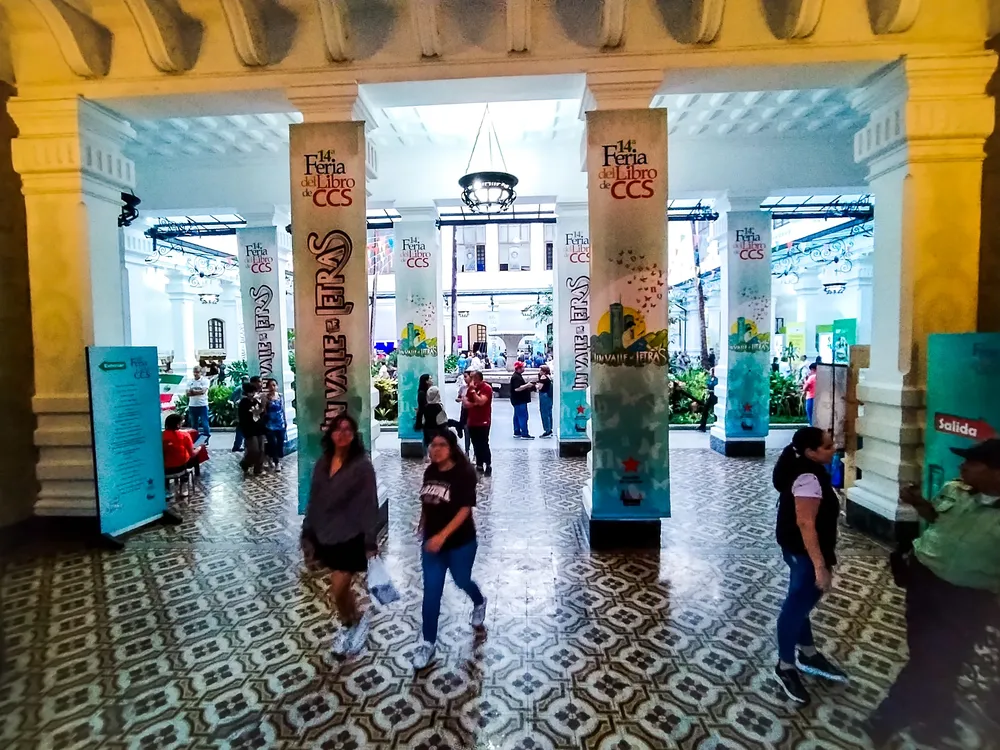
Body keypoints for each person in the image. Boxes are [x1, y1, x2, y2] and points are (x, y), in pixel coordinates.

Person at [864, 439, 1000, 747]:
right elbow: (937, 517)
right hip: (924, 583)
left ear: (996, 473)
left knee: (932, 659)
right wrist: (917, 502)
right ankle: (940, 717)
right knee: (929, 654)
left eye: (971, 463)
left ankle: (888, 717)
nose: (962, 467)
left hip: (966, 598)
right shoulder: (956, 490)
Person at [772, 426, 846, 706]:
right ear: (810, 452)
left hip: (793, 547)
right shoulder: (807, 477)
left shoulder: (800, 463)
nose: (833, 448)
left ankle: (807, 651)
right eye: (827, 446)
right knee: (797, 604)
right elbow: (806, 523)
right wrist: (820, 566)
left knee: (800, 601)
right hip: (802, 550)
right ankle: (785, 665)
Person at [302, 413, 380, 657]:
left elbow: (370, 503)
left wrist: (370, 539)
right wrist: (307, 531)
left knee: (338, 588)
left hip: (351, 535)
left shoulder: (362, 466)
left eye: (348, 429)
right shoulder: (323, 463)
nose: (342, 433)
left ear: (354, 435)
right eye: (338, 429)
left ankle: (355, 621)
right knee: (341, 593)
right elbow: (314, 499)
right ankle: (350, 623)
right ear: (331, 434)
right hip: (325, 534)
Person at [411, 428, 488, 670]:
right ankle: (427, 642)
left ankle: (479, 601)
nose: (435, 450)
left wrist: (443, 536)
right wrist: (423, 525)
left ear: (452, 448)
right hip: (432, 544)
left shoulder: (464, 473)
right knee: (431, 592)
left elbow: (465, 509)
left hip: (460, 542)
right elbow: (428, 500)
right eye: (432, 445)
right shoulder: (430, 471)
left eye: (441, 445)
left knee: (462, 580)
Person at [464, 371, 493, 475]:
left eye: (472, 378)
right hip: (472, 421)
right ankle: (479, 464)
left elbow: (481, 401)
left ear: (478, 378)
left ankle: (488, 463)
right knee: (475, 443)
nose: (470, 380)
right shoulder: (471, 389)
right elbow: (465, 403)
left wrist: (473, 393)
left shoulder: (486, 388)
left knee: (483, 443)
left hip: (483, 421)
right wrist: (474, 403)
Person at [162, 413, 195, 497]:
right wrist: (200, 448)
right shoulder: (185, 435)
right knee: (190, 459)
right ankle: (183, 487)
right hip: (181, 468)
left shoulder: (160, 436)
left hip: (164, 469)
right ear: (178, 424)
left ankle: (166, 489)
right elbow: (192, 454)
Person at [238, 381, 266, 477]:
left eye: (254, 392)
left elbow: (262, 412)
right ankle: (245, 463)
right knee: (254, 450)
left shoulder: (257, 401)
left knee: (261, 450)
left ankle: (258, 469)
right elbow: (243, 418)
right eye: (250, 392)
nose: (252, 394)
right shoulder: (243, 403)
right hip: (249, 429)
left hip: (259, 428)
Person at [415, 385, 449, 451]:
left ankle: (426, 457)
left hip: (427, 430)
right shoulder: (439, 407)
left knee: (426, 443)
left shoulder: (426, 407)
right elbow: (442, 421)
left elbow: (423, 420)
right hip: (437, 431)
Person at [263, 378, 287, 473]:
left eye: (274, 385)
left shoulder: (280, 396)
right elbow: (264, 411)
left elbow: (282, 409)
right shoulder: (266, 398)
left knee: (280, 443)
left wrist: (285, 421)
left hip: (280, 423)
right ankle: (275, 461)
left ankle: (279, 461)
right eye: (270, 385)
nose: (272, 387)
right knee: (272, 443)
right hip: (270, 424)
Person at [509, 361, 535, 439]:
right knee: (523, 416)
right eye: (523, 367)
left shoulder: (517, 376)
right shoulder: (516, 377)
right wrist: (527, 385)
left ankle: (517, 431)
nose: (524, 368)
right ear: (519, 369)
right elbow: (517, 389)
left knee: (517, 416)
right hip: (520, 400)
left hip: (516, 400)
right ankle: (524, 433)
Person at [186, 366, 211, 441]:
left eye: (197, 372)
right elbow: (187, 393)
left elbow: (203, 391)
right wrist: (197, 391)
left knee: (205, 424)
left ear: (200, 372)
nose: (195, 374)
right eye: (194, 372)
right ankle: (195, 440)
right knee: (194, 425)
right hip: (192, 405)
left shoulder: (205, 381)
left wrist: (193, 391)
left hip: (202, 405)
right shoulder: (190, 381)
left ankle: (206, 439)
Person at [229, 375, 250, 452]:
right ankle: (237, 446)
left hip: (247, 412)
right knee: (241, 429)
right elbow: (232, 400)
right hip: (240, 412)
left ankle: (242, 445)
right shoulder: (239, 389)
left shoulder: (248, 389)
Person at [456, 371, 473, 455]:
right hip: (465, 411)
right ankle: (467, 450)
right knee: (466, 431)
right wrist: (461, 399)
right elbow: (458, 398)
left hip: (473, 412)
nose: (465, 379)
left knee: (473, 432)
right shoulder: (463, 388)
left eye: (466, 377)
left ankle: (475, 453)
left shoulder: (475, 388)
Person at [535, 364, 554, 438]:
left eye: (540, 370)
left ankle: (547, 430)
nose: (539, 371)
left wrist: (535, 385)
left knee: (544, 412)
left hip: (544, 396)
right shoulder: (549, 377)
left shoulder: (543, 377)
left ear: (544, 371)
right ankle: (550, 428)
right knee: (549, 413)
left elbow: (539, 387)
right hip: (549, 396)